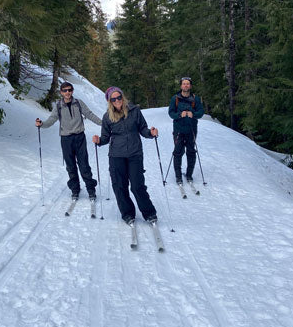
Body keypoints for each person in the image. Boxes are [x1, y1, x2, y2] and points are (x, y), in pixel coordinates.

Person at [92, 87, 158, 225]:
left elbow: (143, 129)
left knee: (137, 186)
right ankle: (127, 213)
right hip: (116, 156)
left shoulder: (135, 111)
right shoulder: (107, 117)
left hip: (135, 154)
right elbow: (105, 137)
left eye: (119, 97)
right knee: (119, 186)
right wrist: (99, 141)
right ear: (110, 101)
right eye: (113, 99)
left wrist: (150, 133)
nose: (117, 101)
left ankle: (149, 213)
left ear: (123, 97)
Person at [36, 82, 102, 200]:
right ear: (61, 92)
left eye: (70, 90)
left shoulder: (78, 103)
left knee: (84, 165)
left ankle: (91, 189)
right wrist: (42, 124)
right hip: (66, 139)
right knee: (70, 166)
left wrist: (103, 123)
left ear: (72, 91)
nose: (68, 92)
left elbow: (89, 114)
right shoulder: (58, 106)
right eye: (65, 90)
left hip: (79, 137)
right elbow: (51, 120)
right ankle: (75, 190)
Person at [168, 77, 204, 184]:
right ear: (181, 86)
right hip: (178, 130)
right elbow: (171, 113)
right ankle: (178, 176)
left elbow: (201, 112)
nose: (186, 86)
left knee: (191, 152)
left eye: (188, 84)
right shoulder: (175, 98)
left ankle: (189, 175)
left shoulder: (195, 99)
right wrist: (179, 115)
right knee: (178, 152)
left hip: (191, 130)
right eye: (184, 84)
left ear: (190, 86)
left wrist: (194, 114)